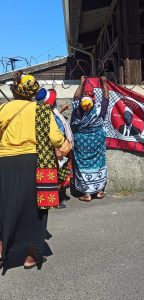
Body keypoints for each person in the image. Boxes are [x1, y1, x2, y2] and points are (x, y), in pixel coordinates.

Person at [0, 72, 65, 272]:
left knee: (4, 205)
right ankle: (30, 255)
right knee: (34, 208)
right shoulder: (43, 110)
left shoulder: (4, 108)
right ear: (34, 91)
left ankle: (1, 249)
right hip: (34, 162)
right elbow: (56, 139)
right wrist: (65, 144)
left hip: (5, 162)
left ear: (16, 90)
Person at [71, 76, 109, 202]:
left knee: (82, 164)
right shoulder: (99, 111)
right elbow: (106, 98)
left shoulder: (77, 110)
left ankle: (87, 194)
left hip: (81, 142)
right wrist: (104, 83)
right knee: (99, 162)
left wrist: (81, 83)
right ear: (93, 101)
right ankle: (99, 191)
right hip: (96, 140)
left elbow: (76, 97)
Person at [35, 88, 74, 209]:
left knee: (61, 173)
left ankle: (59, 197)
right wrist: (58, 150)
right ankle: (58, 199)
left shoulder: (50, 111)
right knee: (58, 174)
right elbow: (54, 134)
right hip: (57, 149)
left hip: (60, 147)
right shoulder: (49, 113)